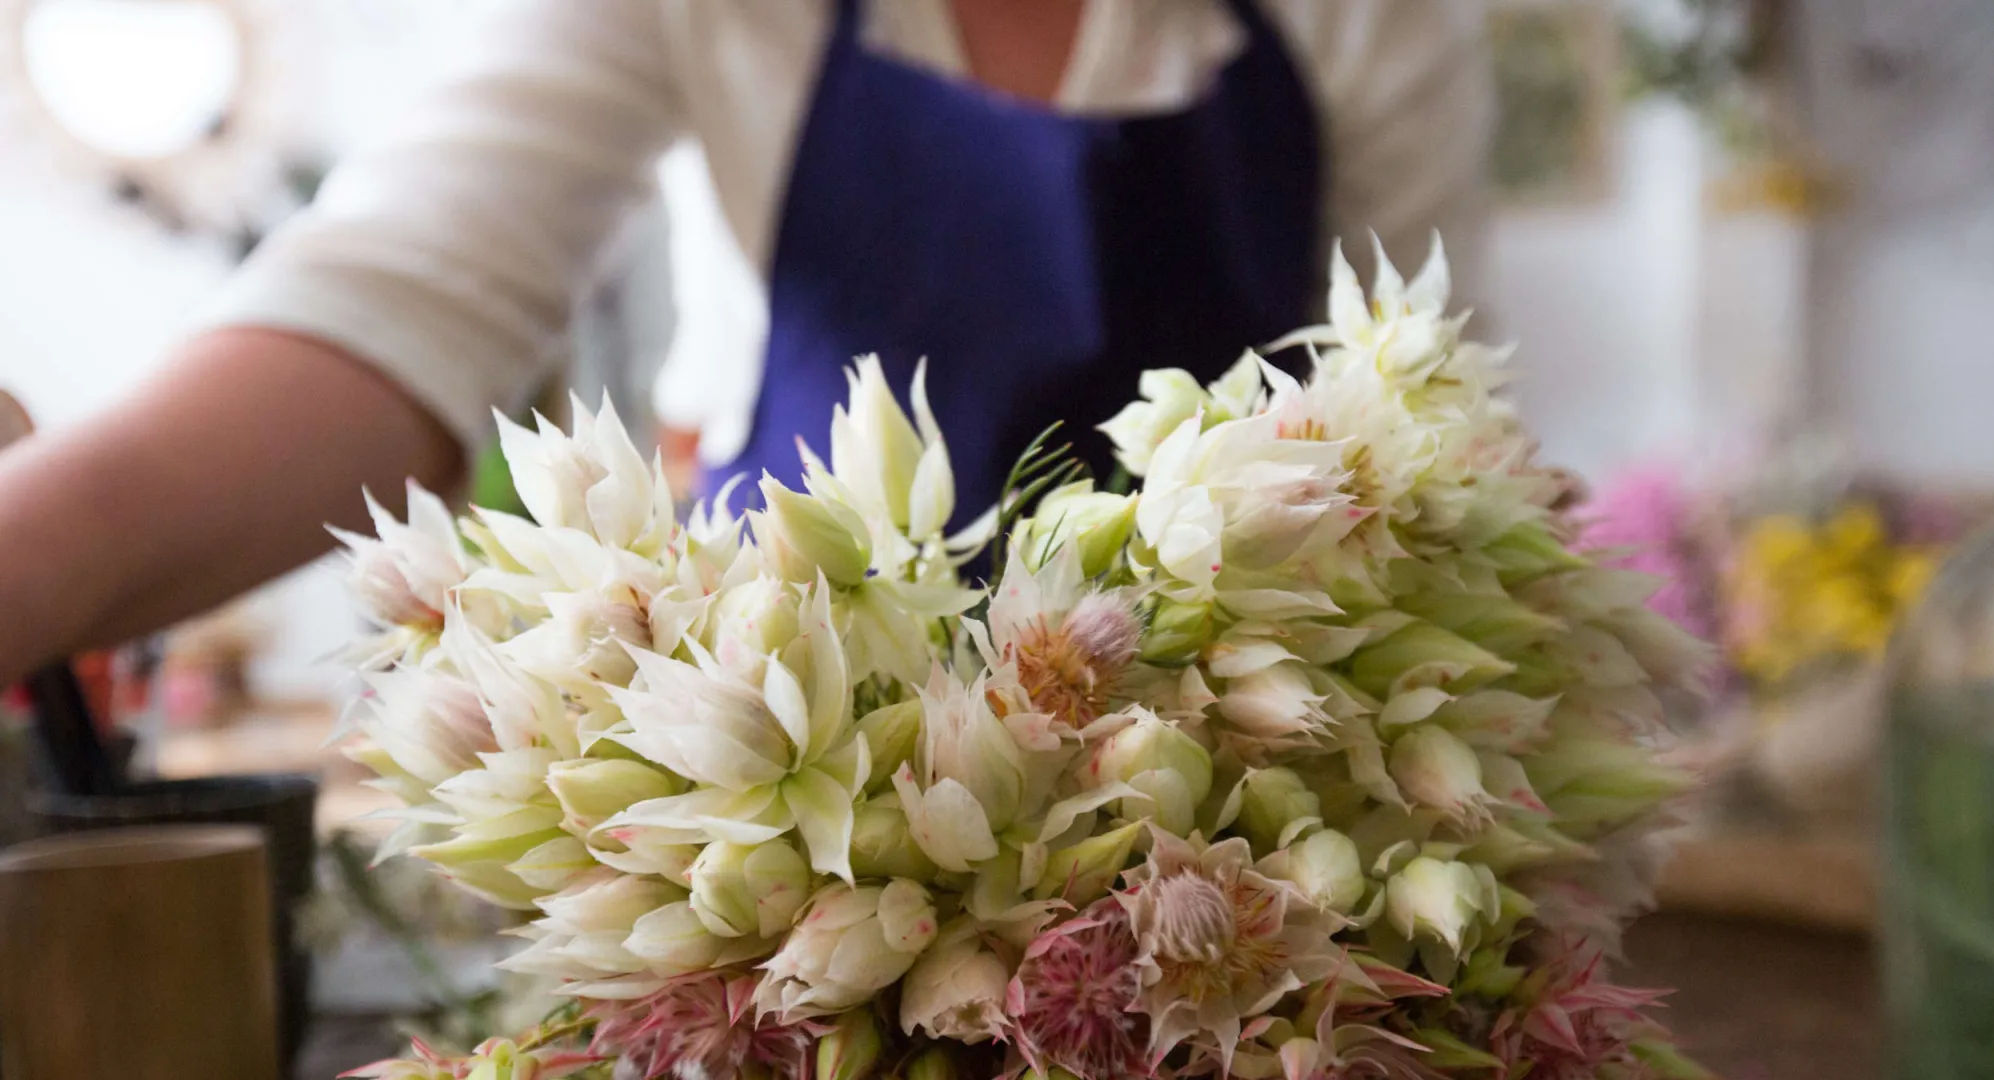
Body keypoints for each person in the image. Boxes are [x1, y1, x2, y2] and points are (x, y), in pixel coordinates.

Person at [0, 0, 1492, 687]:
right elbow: (395, 299)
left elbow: (1431, 451)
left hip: (1241, 863)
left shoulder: (1361, 21)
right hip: (786, 852)